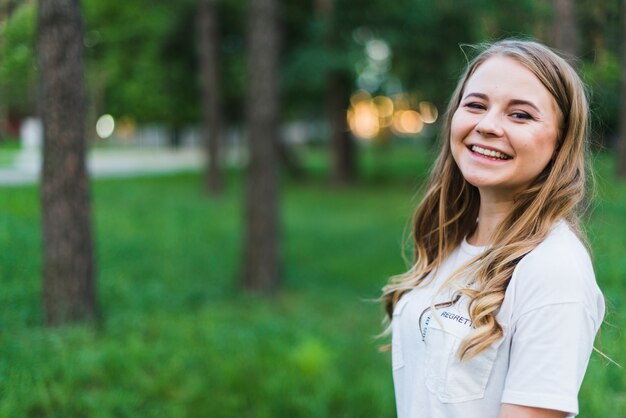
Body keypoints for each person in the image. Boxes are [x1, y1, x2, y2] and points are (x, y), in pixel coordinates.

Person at [381, 39, 604, 418]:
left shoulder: (552, 270)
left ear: (560, 143)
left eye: (520, 115)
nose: (486, 126)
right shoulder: (452, 240)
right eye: (476, 105)